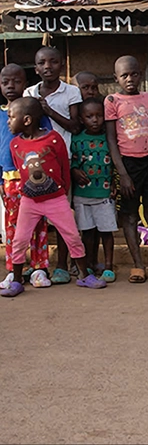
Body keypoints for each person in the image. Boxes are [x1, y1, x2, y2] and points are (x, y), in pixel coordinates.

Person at [0, 97, 106, 297]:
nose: (8, 122)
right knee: (20, 239)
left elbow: (64, 168)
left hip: (56, 199)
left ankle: (84, 275)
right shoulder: (15, 145)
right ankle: (16, 280)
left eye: (11, 117)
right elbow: (21, 171)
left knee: (72, 236)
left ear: (27, 120)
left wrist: (63, 191)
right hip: (29, 202)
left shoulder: (53, 139)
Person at [105, 55, 148, 285]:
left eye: (134, 74)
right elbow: (112, 140)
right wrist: (122, 173)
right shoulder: (112, 101)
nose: (130, 79)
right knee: (130, 217)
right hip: (128, 165)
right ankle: (138, 265)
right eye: (124, 75)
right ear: (116, 78)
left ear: (140, 75)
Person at [23, 46, 82, 285]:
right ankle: (37, 264)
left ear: (62, 65)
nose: (48, 66)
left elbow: (76, 127)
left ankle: (62, 266)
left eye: (53, 62)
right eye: (42, 63)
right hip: (34, 165)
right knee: (34, 219)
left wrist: (48, 110)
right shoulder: (29, 92)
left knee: (62, 217)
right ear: (36, 69)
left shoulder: (71, 92)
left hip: (61, 163)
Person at [0, 64, 52, 289]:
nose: (11, 86)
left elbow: (48, 141)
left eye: (17, 81)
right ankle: (14, 269)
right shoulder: (1, 115)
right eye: (5, 82)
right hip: (9, 179)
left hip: (35, 178)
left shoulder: (35, 112)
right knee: (12, 226)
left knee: (38, 224)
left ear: (25, 83)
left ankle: (39, 268)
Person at [71, 98, 117, 282]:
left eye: (99, 116)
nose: (95, 120)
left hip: (104, 193)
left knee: (106, 232)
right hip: (82, 194)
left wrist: (115, 183)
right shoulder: (77, 140)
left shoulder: (109, 139)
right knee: (87, 232)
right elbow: (72, 162)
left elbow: (115, 164)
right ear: (82, 119)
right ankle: (90, 263)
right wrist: (74, 171)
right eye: (90, 116)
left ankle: (108, 266)